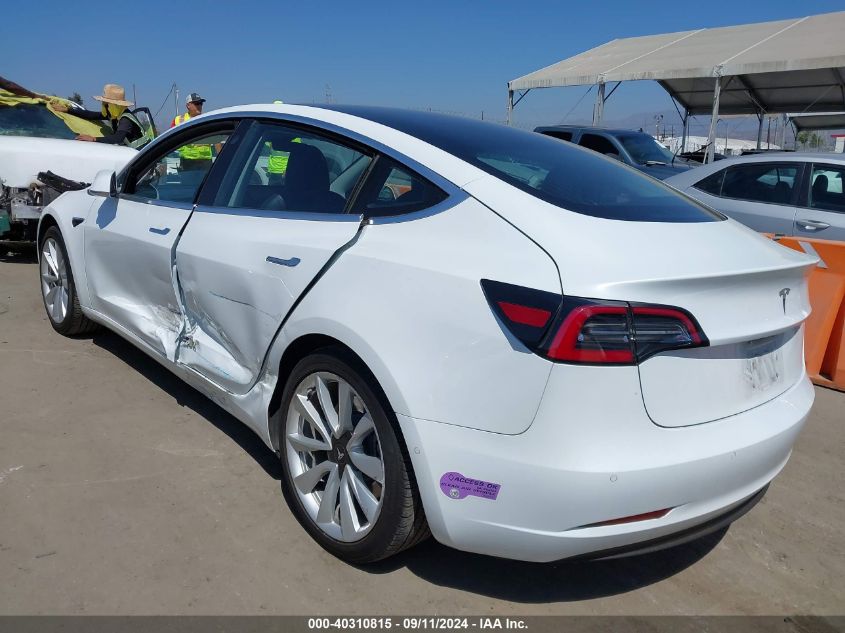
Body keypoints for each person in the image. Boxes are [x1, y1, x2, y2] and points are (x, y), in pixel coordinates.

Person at [51, 84, 151, 148]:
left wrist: (94, 139)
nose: (104, 106)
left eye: (107, 104)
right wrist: (68, 110)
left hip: (141, 151)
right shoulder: (114, 114)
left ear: (114, 106)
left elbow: (118, 138)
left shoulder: (125, 119)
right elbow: (90, 115)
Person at [170, 93, 213, 169]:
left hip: (206, 161)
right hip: (187, 161)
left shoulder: (207, 119)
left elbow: (216, 140)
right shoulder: (178, 120)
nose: (199, 106)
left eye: (201, 103)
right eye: (196, 103)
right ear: (188, 105)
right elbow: (170, 140)